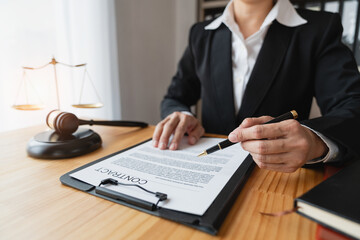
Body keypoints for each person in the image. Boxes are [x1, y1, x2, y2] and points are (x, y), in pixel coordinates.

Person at [152, 0, 360, 172]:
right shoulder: (201, 33)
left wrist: (314, 141)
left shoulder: (319, 28)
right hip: (207, 170)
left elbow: (353, 106)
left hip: (277, 177)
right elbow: (175, 97)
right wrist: (180, 113)